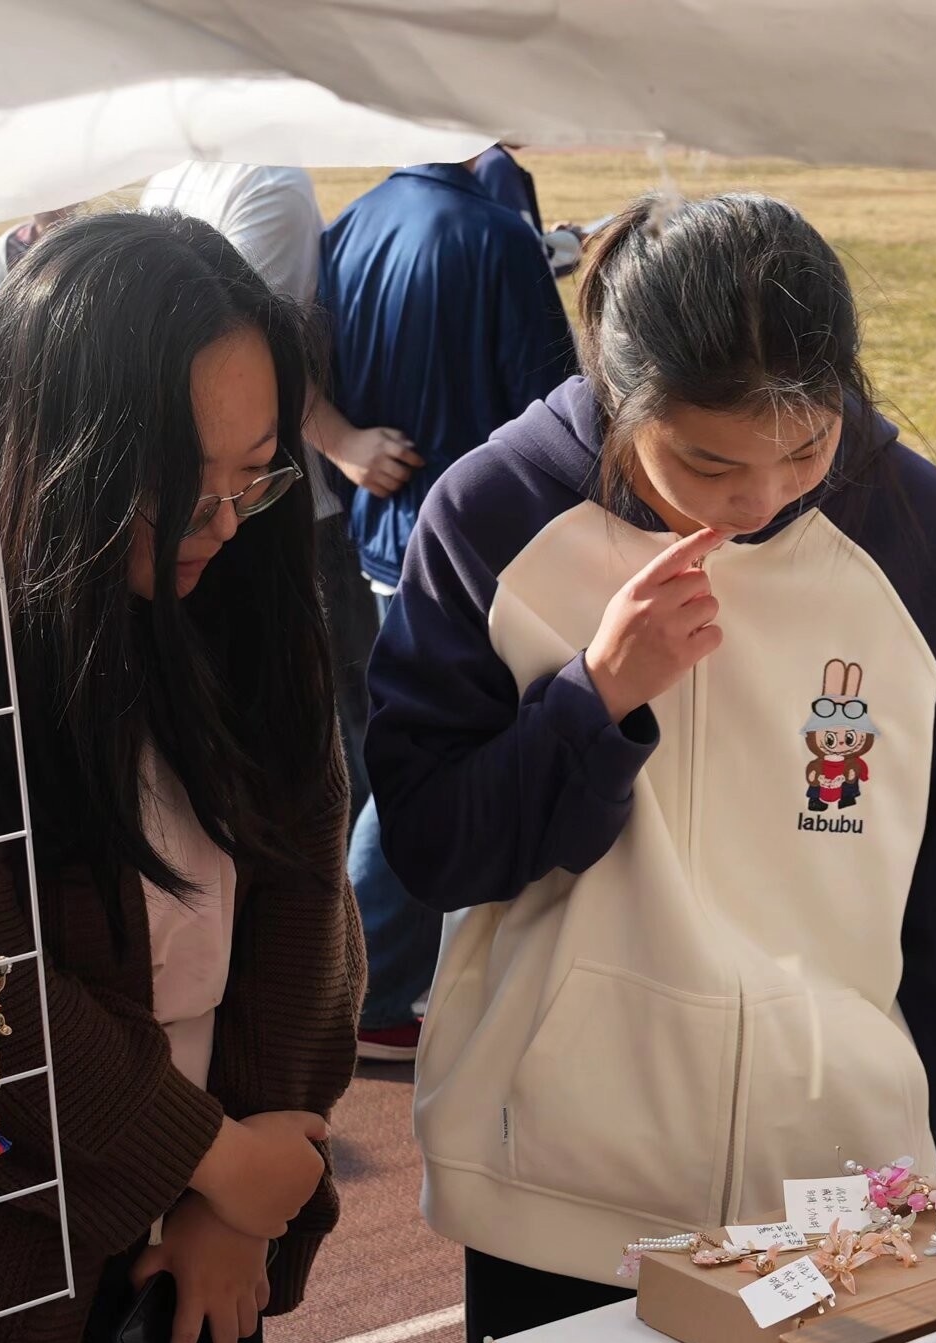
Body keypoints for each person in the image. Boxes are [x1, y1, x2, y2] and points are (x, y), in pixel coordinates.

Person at [365, 193, 936, 1340]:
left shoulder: (915, 527)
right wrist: (593, 699)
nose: (762, 498)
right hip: (558, 1187)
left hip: (833, 1181)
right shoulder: (493, 512)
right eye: (709, 461)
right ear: (620, 399)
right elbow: (431, 845)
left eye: (808, 447)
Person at [0, 210, 362, 1343]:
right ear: (59, 452)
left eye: (254, 473)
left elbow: (305, 893)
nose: (221, 522)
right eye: (177, 490)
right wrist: (209, 1158)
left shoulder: (245, 582)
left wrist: (238, 1202)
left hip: (208, 1236)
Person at [321, 152, 579, 1062]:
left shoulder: (352, 221)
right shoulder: (497, 235)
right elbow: (556, 405)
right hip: (474, 553)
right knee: (429, 765)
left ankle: (363, 977)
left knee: (400, 751)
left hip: (382, 533)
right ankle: (368, 985)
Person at [140, 161, 417, 808]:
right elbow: (260, 350)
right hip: (294, 509)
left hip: (238, 504)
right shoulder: (270, 184)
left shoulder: (173, 180)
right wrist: (344, 444)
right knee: (347, 722)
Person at [0, 205, 81, 316]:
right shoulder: (8, 247)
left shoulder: (86, 240)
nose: (48, 205)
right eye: (39, 195)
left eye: (56, 195)